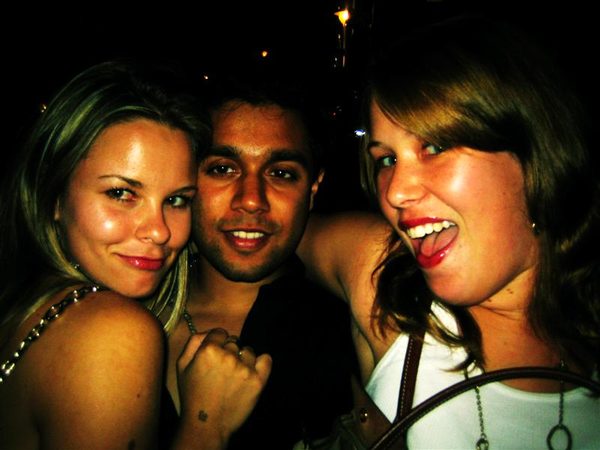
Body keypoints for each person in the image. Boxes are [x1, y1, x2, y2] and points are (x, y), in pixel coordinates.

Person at [298, 15, 600, 448]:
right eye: (386, 160)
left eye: (434, 147)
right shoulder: (382, 279)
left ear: (534, 156)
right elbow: (273, 231)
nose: (395, 191)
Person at [0, 59, 270, 450]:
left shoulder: (25, 303)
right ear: (54, 196)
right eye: (121, 194)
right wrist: (207, 424)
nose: (159, 231)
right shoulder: (113, 332)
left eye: (176, 200)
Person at [164, 70, 359, 449]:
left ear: (313, 188)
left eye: (281, 173)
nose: (251, 199)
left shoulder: (350, 338)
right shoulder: (126, 303)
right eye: (223, 168)